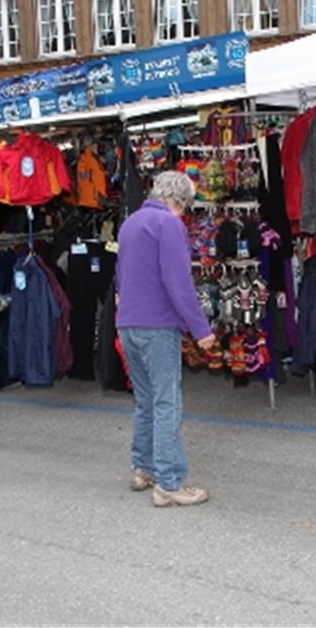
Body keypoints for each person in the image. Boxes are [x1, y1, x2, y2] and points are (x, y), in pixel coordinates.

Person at [116, 171, 216, 507]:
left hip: (128, 322)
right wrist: (201, 329)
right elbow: (178, 282)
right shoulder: (169, 224)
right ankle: (169, 482)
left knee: (145, 401)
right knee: (166, 402)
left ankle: (142, 468)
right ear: (181, 200)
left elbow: (120, 277)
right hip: (157, 324)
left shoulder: (131, 222)